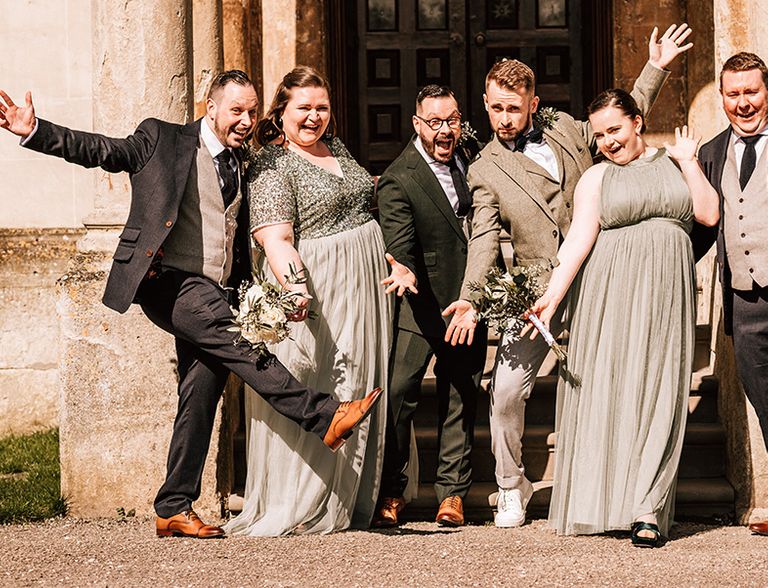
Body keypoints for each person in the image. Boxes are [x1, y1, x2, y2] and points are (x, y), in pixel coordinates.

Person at [0, 71, 381, 539]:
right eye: (236, 110)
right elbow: (102, 150)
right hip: (169, 282)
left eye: (252, 112)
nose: (245, 120)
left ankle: (173, 507)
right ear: (211, 107)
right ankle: (324, 414)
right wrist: (37, 130)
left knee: (201, 392)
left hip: (218, 288)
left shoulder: (248, 162)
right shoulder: (162, 138)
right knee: (241, 344)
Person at [442, 24, 693, 529]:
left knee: (619, 382)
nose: (504, 118)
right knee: (508, 387)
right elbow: (485, 238)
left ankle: (622, 487)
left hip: (606, 277)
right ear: (485, 104)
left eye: (514, 107)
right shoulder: (485, 169)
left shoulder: (566, 130)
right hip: (536, 291)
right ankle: (512, 485)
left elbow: (620, 119)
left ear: (533, 104)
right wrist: (470, 298)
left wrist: (657, 67)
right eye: (495, 107)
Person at [528, 90, 719, 545]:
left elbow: (708, 213)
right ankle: (612, 500)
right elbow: (575, 244)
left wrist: (690, 161)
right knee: (614, 389)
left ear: (637, 121)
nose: (607, 142)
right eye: (599, 135)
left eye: (614, 129)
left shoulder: (674, 163)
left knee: (659, 392)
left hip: (666, 297)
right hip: (608, 294)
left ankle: (647, 508)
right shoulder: (596, 178)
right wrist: (551, 298)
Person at [224, 66, 390, 536]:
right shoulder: (272, 164)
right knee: (320, 377)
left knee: (358, 374)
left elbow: (359, 202)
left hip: (364, 280)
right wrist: (297, 289)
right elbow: (275, 239)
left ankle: (354, 495)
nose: (314, 117)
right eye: (304, 109)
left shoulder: (335, 147)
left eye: (321, 107)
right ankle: (301, 499)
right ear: (281, 112)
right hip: (322, 285)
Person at [374, 84, 487, 528]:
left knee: (461, 392)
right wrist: (404, 270)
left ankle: (452, 494)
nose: (445, 130)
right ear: (417, 124)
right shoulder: (399, 177)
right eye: (435, 122)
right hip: (421, 305)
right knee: (399, 394)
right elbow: (400, 243)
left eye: (452, 120)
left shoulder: (470, 151)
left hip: (469, 298)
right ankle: (391, 490)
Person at [691, 52, 768, 536]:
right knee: (764, 400)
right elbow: (700, 229)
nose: (743, 103)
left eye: (751, 92)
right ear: (722, 98)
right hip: (743, 297)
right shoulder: (712, 151)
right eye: (733, 94)